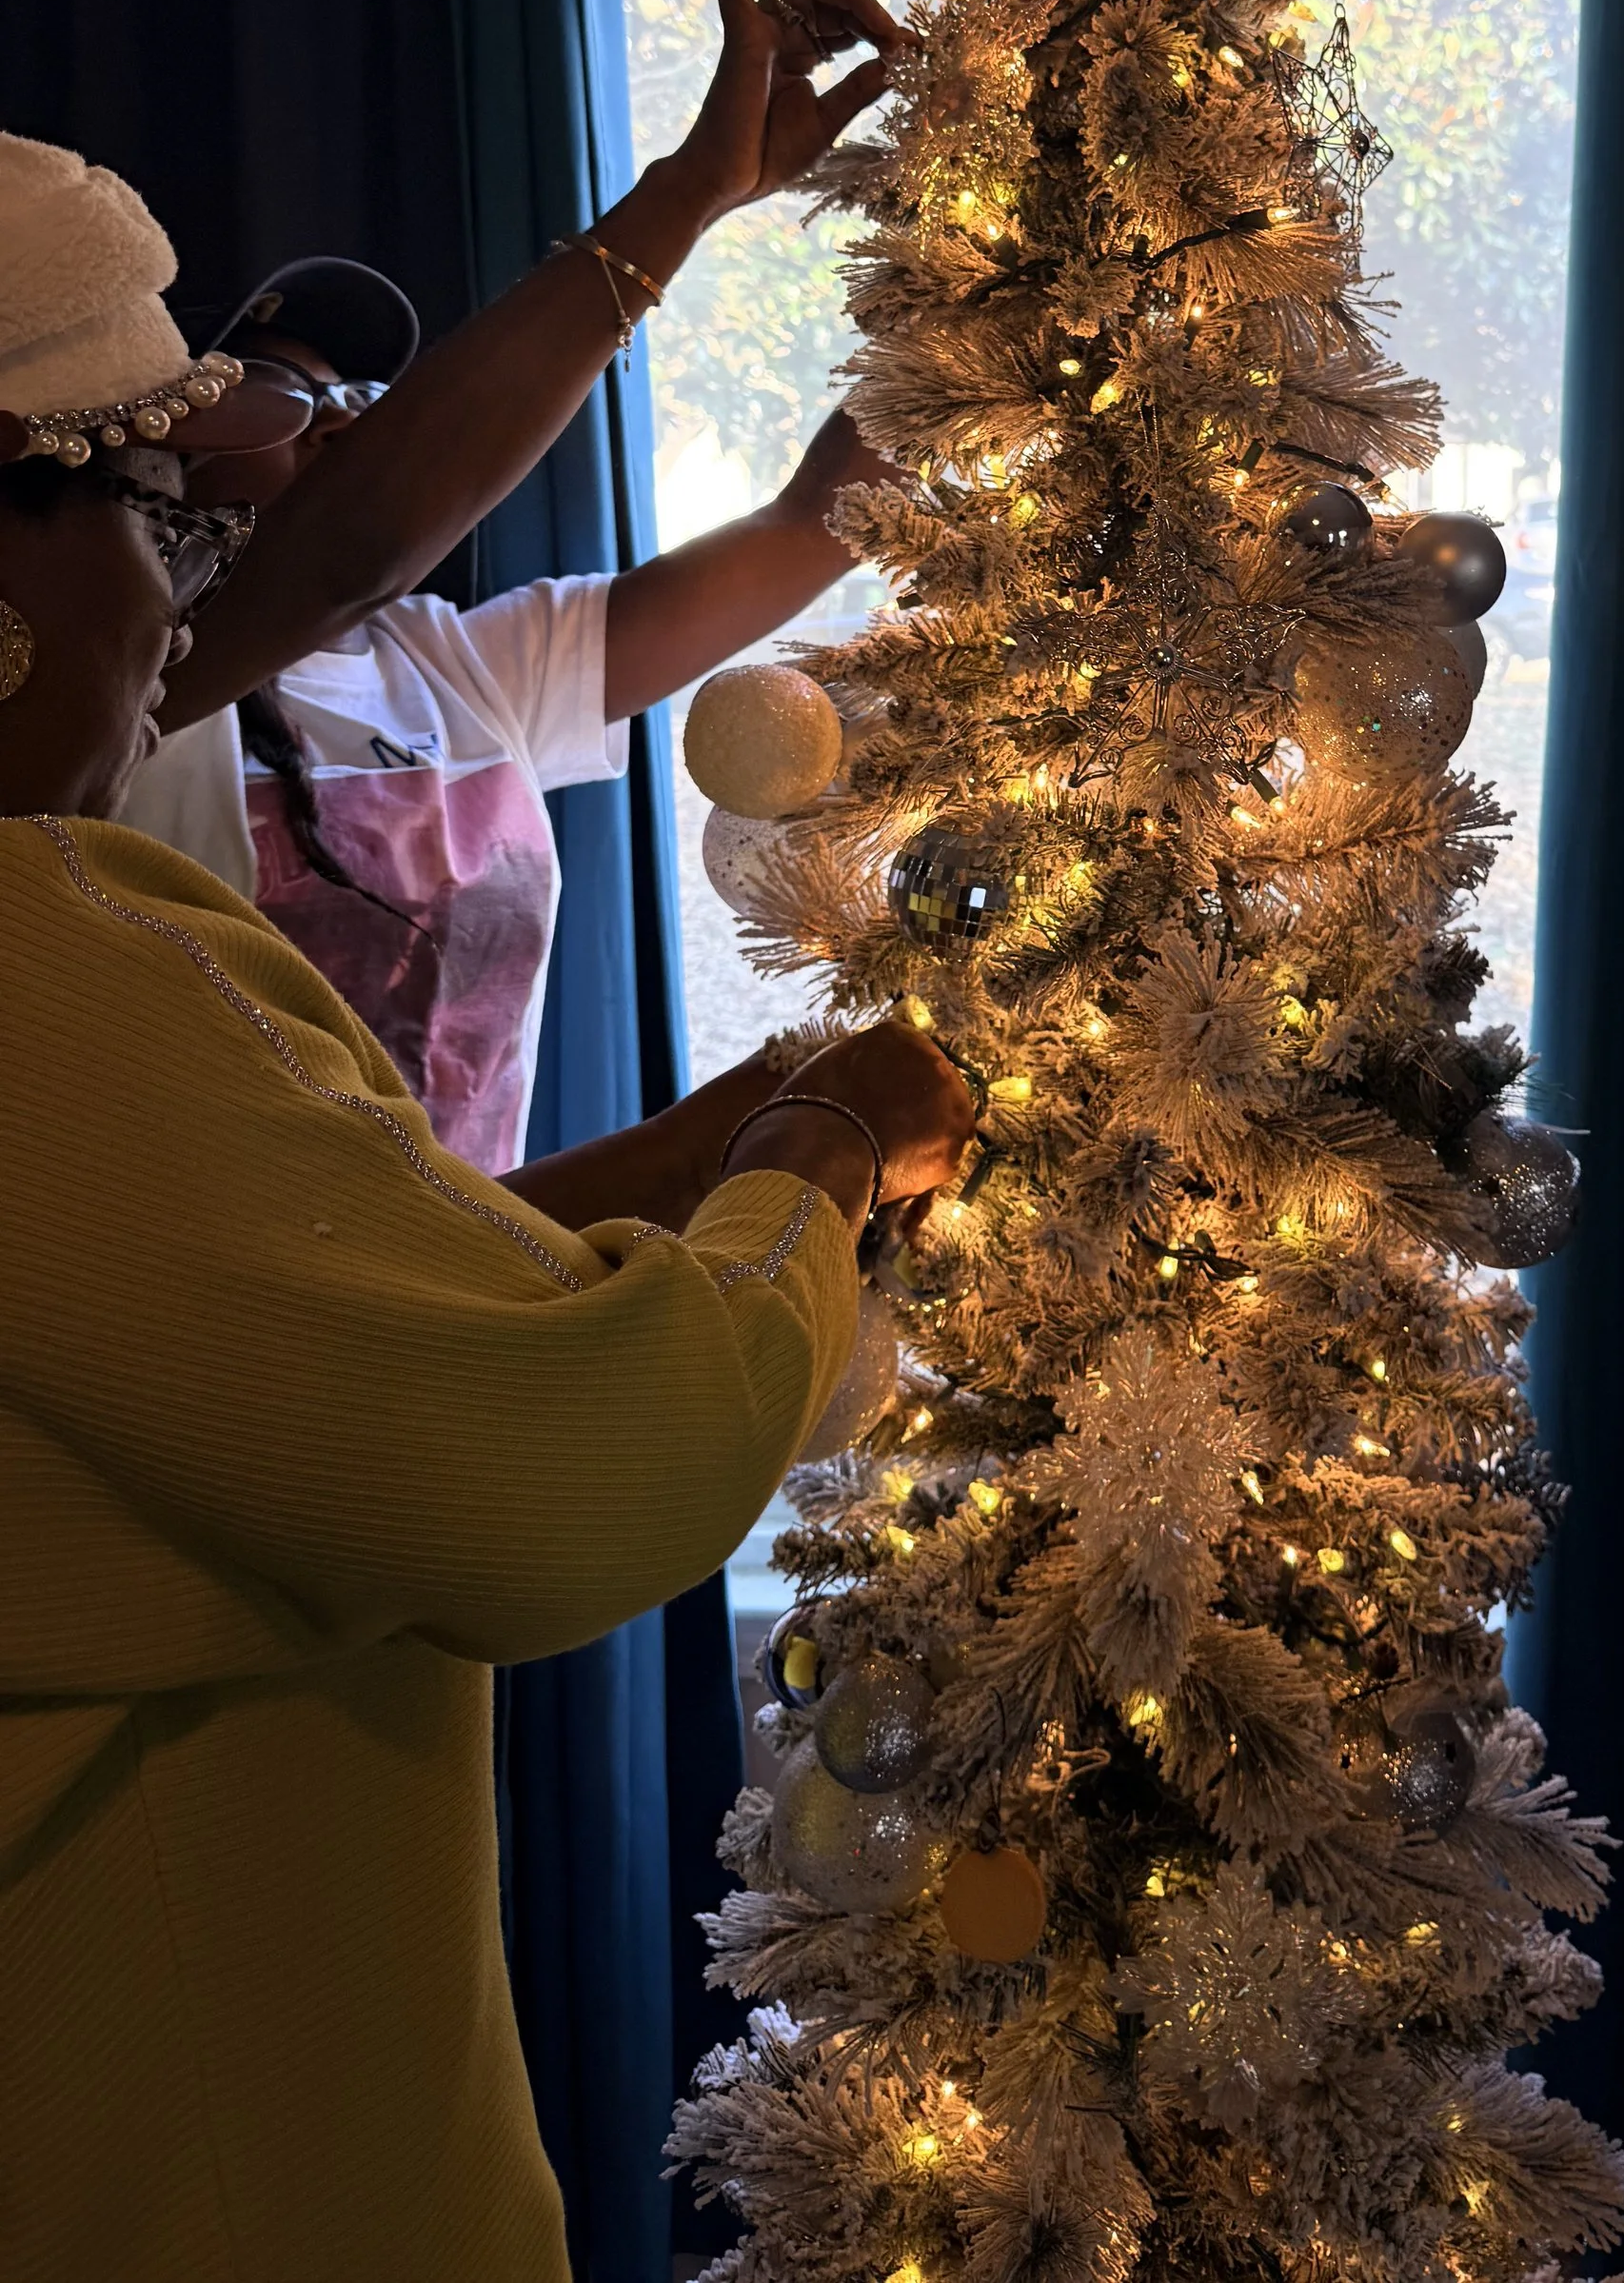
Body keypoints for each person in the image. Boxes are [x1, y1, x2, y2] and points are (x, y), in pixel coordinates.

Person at [0, 129, 975, 2283]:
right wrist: (802, 1177)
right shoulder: (48, 951)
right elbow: (563, 1469)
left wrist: (741, 1126)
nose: (162, 598)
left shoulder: (418, 690)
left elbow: (337, 1265)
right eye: (134, 509)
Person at [117, 0, 902, 1164]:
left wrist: (981, 288)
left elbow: (815, 526)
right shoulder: (104, 696)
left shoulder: (455, 670)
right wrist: (691, 184)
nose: (339, 425)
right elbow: (356, 541)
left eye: (364, 402)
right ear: (153, 451)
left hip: (455, 1334)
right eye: (282, 395)